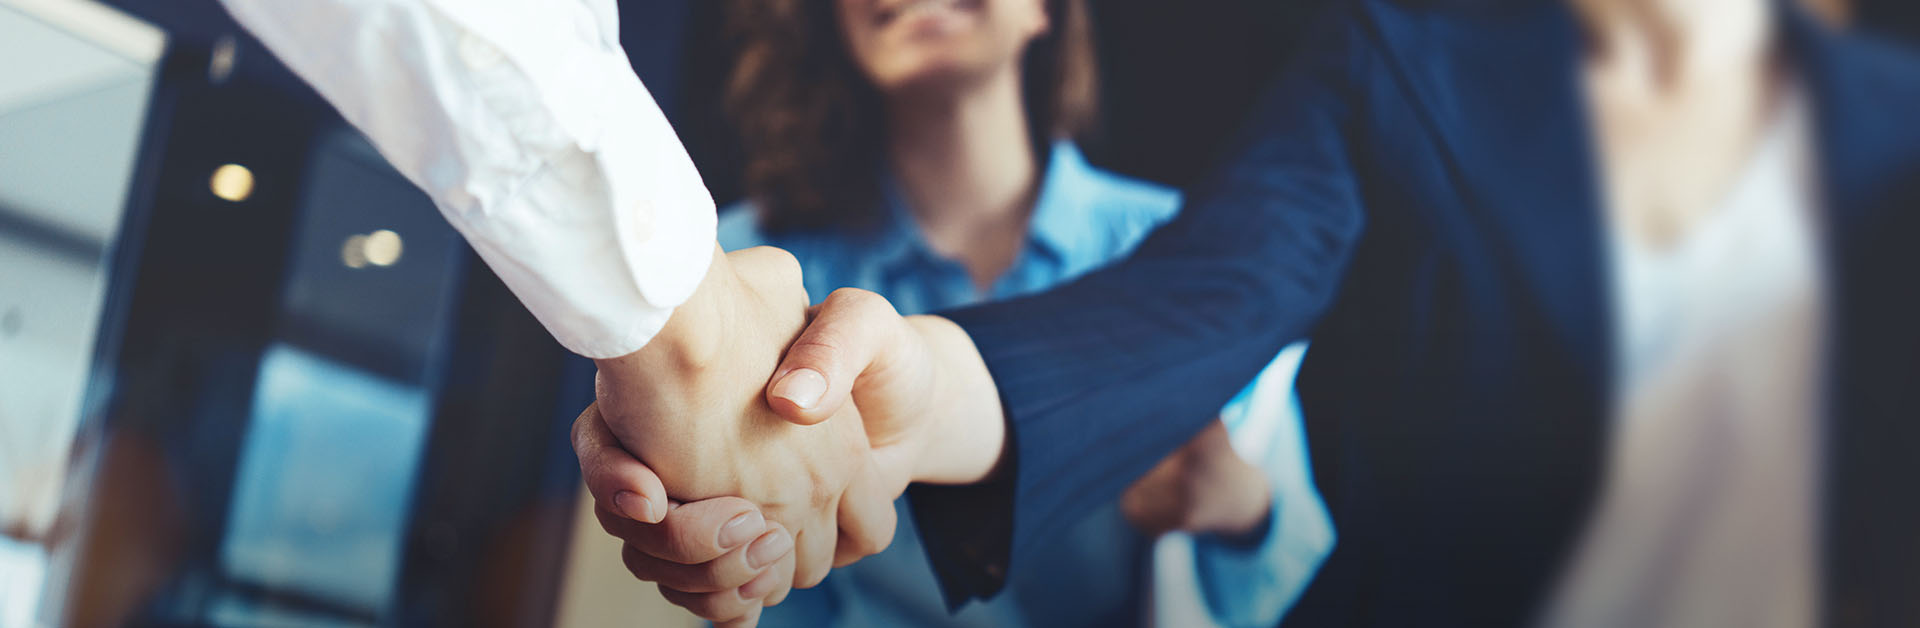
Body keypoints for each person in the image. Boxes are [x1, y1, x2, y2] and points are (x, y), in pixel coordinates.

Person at [579, 0, 1920, 626]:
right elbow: (1189, 311)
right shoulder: (1399, 60)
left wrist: (1245, 509)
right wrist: (920, 391)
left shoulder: (1889, 139)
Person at [654, 0, 1329, 625]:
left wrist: (1241, 507)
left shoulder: (1182, 252)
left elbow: (1293, 555)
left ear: (1045, 9)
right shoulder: (739, 269)